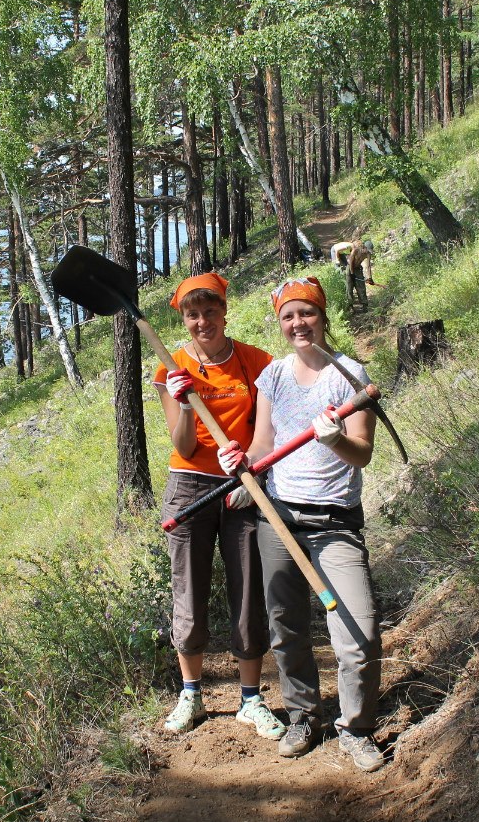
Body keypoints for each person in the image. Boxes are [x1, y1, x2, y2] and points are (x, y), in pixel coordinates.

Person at [223, 275, 386, 772]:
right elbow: (263, 446)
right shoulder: (272, 375)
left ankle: (356, 729)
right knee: (286, 628)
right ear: (281, 323)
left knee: (360, 634)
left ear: (322, 316)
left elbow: (362, 455)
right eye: (289, 316)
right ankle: (303, 717)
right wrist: (242, 465)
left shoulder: (351, 376)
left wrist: (334, 439)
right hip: (278, 516)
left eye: (307, 313)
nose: (299, 323)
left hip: (334, 521)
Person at [152, 272, 285, 739]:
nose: (202, 321)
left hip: (243, 485)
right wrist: (185, 402)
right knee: (188, 589)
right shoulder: (173, 369)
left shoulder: (256, 363)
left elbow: (276, 425)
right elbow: (184, 448)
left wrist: (257, 466)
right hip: (190, 487)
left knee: (249, 588)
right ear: (184, 320)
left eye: (210, 311)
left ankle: (252, 699)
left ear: (225, 312)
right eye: (193, 314)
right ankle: (191, 694)